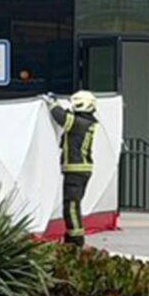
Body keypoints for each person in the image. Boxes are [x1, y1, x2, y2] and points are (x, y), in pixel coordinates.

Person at [44, 90, 99, 247]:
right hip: (79, 170)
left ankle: (76, 240)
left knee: (72, 207)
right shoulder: (86, 122)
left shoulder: (79, 123)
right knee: (72, 205)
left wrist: (52, 103)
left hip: (76, 170)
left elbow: (61, 117)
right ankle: (72, 237)